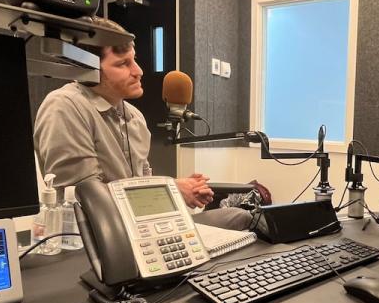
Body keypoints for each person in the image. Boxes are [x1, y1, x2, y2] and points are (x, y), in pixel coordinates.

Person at [34, 17, 252, 231]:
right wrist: (172, 190)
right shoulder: (64, 106)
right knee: (236, 217)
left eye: (134, 59)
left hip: (143, 227)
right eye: (123, 64)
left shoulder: (135, 117)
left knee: (239, 217)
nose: (138, 71)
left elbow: (142, 182)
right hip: (98, 236)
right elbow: (85, 199)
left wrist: (183, 189)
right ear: (86, 69)